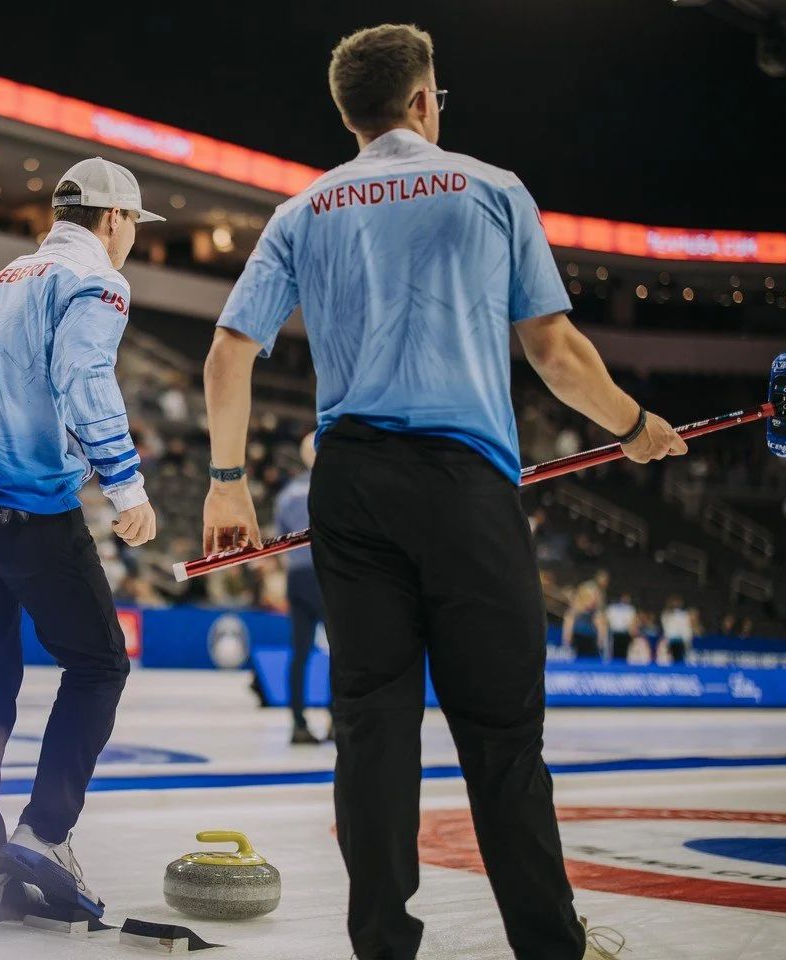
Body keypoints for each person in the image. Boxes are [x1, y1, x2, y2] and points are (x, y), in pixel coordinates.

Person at [198, 24, 685, 960]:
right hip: (465, 487)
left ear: (350, 113)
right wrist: (632, 427)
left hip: (351, 485)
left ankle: (383, 944)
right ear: (424, 100)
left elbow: (228, 352)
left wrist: (227, 484)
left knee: (372, 729)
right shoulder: (493, 187)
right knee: (502, 732)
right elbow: (554, 353)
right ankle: (549, 944)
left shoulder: (302, 210)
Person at [0, 156, 160, 925]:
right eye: (132, 229)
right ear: (114, 219)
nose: (131, 245)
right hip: (28, 508)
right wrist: (126, 487)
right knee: (97, 662)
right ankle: (46, 833)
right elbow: (85, 377)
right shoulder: (94, 281)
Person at [272, 432, 331, 744]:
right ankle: (339, 720)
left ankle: (298, 723)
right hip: (327, 574)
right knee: (341, 651)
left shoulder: (287, 493)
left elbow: (279, 540)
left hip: (296, 576)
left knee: (300, 652)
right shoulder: (332, 485)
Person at [562, 582, 606, 661]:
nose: (592, 600)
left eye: (594, 598)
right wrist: (566, 643)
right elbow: (567, 631)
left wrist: (600, 642)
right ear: (583, 597)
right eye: (589, 597)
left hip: (592, 649)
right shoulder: (573, 613)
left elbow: (601, 634)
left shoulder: (597, 614)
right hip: (577, 649)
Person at [661, 595, 694, 665]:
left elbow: (686, 629)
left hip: (680, 641)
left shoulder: (684, 615)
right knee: (669, 660)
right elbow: (666, 628)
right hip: (670, 640)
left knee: (679, 659)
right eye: (673, 602)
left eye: (677, 602)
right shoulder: (666, 614)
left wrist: (687, 640)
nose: (675, 604)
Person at [605, 593, 637, 663]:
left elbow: (632, 622)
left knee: (624, 653)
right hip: (614, 633)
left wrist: (632, 633)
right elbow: (607, 620)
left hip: (625, 634)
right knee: (613, 652)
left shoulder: (630, 609)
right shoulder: (612, 608)